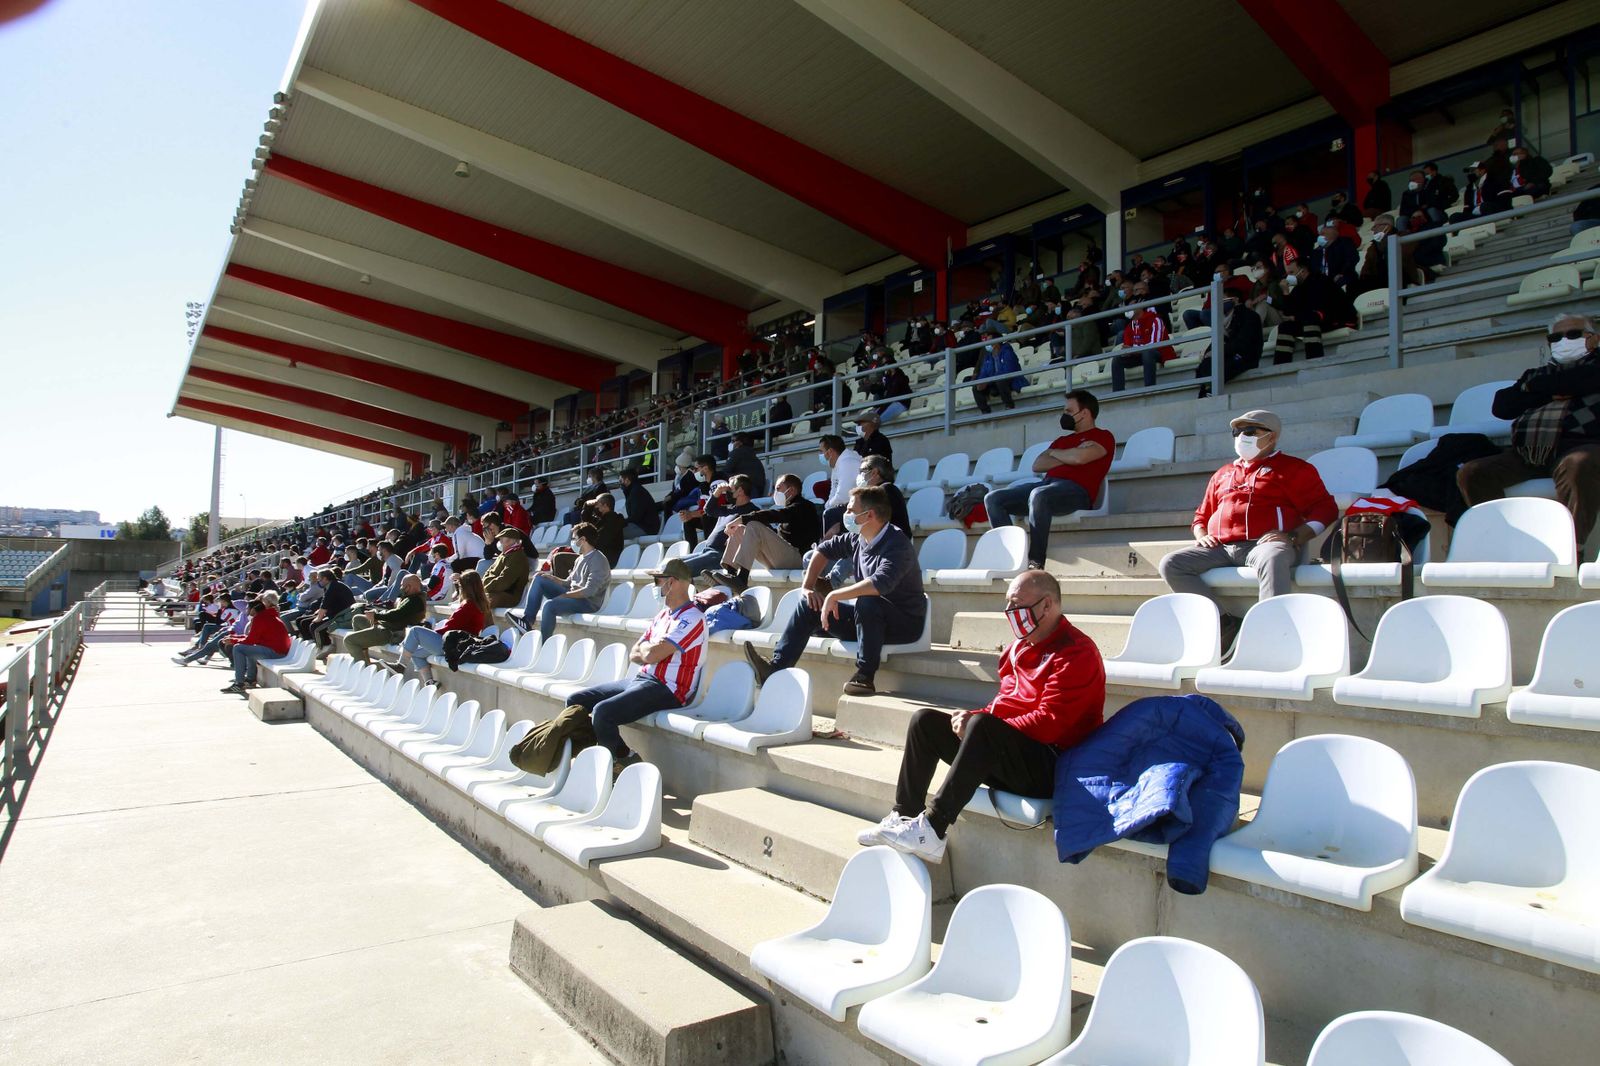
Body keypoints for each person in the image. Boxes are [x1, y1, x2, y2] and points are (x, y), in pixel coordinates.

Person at [859, 571, 1105, 862]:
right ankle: (904, 816)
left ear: (1047, 605)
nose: (1009, 611)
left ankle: (933, 828)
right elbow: (1004, 705)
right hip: (1014, 752)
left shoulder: (1077, 652)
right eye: (1008, 603)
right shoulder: (1017, 648)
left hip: (1054, 766)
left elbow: (1049, 723)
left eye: (1017, 604)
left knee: (983, 727)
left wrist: (983, 726)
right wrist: (971, 718)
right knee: (925, 722)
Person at [1157, 410, 1337, 655]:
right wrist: (1201, 535)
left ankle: (1270, 635)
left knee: (1273, 557)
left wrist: (1294, 536)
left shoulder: (1294, 469)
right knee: (1172, 563)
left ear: (1272, 437)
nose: (1242, 437)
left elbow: (1325, 509)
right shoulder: (1223, 473)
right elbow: (1201, 516)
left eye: (1250, 432)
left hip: (1263, 545)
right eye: (1237, 432)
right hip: (1221, 548)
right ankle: (1225, 623)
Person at [745, 485, 926, 697]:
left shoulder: (897, 544)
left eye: (850, 510)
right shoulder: (858, 538)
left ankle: (865, 677)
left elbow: (879, 584)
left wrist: (834, 594)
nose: (845, 514)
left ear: (869, 515)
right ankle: (775, 669)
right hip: (868, 621)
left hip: (904, 624)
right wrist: (807, 587)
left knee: (867, 601)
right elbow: (823, 550)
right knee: (809, 605)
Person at [1457, 313, 1600, 544]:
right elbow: (1502, 406)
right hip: (1529, 452)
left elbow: (1581, 379)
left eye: (1573, 334)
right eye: (1556, 337)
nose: (1563, 341)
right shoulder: (1536, 374)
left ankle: (1572, 548)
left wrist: (1533, 388)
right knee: (1472, 472)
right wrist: (1550, 392)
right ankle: (1501, 542)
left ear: (1594, 339)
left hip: (1582, 446)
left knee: (1579, 463)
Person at [565, 559, 707, 777]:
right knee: (576, 701)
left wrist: (649, 651)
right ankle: (594, 758)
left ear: (672, 582)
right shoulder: (663, 615)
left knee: (603, 713)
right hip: (644, 679)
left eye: (658, 580)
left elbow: (650, 654)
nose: (655, 586)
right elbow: (635, 653)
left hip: (669, 688)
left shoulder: (692, 617)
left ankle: (625, 762)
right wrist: (651, 651)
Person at [983, 391, 1114, 569]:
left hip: (1076, 492)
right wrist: (1065, 453)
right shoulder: (1061, 441)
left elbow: (1080, 458)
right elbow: (1038, 465)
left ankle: (1035, 563)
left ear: (1084, 413)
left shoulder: (1103, 436)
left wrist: (1056, 455)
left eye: (1069, 411)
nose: (1064, 415)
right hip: (1046, 485)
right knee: (993, 498)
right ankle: (1010, 559)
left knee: (1039, 495)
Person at [708, 473, 821, 591]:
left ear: (791, 490)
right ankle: (730, 574)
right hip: (782, 558)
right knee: (740, 529)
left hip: (798, 559)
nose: (774, 493)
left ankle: (742, 578)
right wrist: (740, 533)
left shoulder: (805, 506)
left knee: (753, 525)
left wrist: (742, 518)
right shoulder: (790, 508)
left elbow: (776, 515)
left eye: (778, 489)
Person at [393, 569, 491, 681]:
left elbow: (451, 628)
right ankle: (430, 682)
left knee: (415, 631)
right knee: (414, 652)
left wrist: (433, 633)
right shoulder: (478, 604)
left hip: (452, 645)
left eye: (460, 586)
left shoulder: (469, 606)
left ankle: (400, 666)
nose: (459, 589)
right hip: (457, 644)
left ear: (467, 587)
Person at [520, 522, 612, 640]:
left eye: (574, 538)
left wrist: (565, 595)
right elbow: (568, 583)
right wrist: (553, 578)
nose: (572, 542)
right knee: (539, 579)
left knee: (549, 605)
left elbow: (589, 591)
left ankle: (544, 643)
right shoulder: (580, 558)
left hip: (587, 603)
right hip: (574, 596)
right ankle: (527, 621)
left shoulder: (598, 560)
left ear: (583, 540)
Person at [1272, 260, 1355, 364]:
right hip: (1315, 320)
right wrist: (1285, 292)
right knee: (1285, 327)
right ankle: (1281, 366)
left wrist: (1296, 317)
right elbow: (1289, 312)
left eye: (1291, 272)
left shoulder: (1321, 281)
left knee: (1310, 319)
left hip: (1338, 319)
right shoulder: (1299, 288)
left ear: (1303, 271)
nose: (1288, 277)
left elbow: (1319, 310)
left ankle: (1314, 362)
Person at [681, 476, 759, 577]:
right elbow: (708, 510)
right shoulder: (729, 509)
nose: (726, 492)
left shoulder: (752, 512)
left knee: (679, 569)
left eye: (729, 489)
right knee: (670, 564)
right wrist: (718, 491)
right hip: (707, 552)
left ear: (740, 491)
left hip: (721, 555)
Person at [343, 574, 427, 664]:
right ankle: (364, 659)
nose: (401, 588)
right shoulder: (410, 598)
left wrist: (376, 616)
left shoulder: (415, 601)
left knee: (349, 640)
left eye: (402, 585)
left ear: (409, 587)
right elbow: (396, 613)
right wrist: (377, 616)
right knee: (357, 619)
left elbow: (396, 614)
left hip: (390, 633)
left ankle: (363, 667)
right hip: (385, 626)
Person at [219, 592, 293, 695]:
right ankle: (250, 680)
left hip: (276, 652)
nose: (247, 610)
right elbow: (252, 638)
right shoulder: (268, 616)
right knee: (248, 648)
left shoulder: (261, 618)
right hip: (277, 650)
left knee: (238, 648)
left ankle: (239, 684)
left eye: (248, 608)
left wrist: (233, 641)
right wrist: (233, 638)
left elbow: (250, 640)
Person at [1112, 282, 1174, 391]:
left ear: (1140, 307)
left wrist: (1133, 350)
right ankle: (1118, 393)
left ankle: (1149, 389)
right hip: (1139, 355)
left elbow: (1155, 345)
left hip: (1159, 353)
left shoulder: (1155, 319)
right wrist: (1128, 351)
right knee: (1117, 359)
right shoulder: (1130, 326)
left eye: (1131, 306)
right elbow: (1128, 346)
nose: (1128, 308)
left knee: (1147, 353)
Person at [972, 324, 1023, 414]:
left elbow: (1009, 370)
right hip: (994, 383)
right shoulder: (988, 357)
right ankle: (985, 412)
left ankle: (1009, 406)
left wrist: (989, 380)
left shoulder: (1007, 352)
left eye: (989, 341)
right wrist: (981, 381)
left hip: (1011, 381)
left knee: (1000, 380)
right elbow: (984, 372)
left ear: (996, 341)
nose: (987, 344)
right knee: (976, 387)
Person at [818, 433, 861, 538]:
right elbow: (833, 490)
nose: (820, 455)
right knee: (822, 511)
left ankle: (829, 546)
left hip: (859, 506)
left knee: (829, 514)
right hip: (848, 504)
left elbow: (844, 495)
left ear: (830, 452)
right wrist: (827, 505)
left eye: (821, 451)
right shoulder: (837, 464)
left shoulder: (848, 463)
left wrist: (828, 506)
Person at [858, 454, 911, 535]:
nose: (859, 475)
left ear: (874, 472)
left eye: (862, 471)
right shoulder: (887, 489)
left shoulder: (886, 490)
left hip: (894, 541)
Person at [482, 526, 532, 609]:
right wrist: (482, 587)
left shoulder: (517, 556)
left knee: (483, 601)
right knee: (472, 598)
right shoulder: (503, 554)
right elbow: (489, 572)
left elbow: (505, 580)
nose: (500, 543)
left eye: (502, 540)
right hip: (494, 590)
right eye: (500, 540)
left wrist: (485, 588)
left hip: (509, 595)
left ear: (513, 542)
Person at [617, 467, 661, 539]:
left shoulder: (636, 492)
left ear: (627, 480)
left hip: (646, 528)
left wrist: (620, 521)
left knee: (614, 532)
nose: (619, 483)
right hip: (641, 525)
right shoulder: (633, 490)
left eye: (620, 480)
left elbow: (636, 517)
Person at [722, 432, 768, 498]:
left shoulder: (736, 453)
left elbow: (725, 471)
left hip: (747, 492)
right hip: (756, 492)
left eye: (733, 441)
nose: (731, 443)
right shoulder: (753, 455)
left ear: (740, 443)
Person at [585, 493, 627, 565]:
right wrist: (586, 505)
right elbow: (586, 522)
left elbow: (602, 541)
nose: (595, 507)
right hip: (598, 557)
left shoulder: (613, 521)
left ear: (605, 505)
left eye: (597, 504)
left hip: (607, 560)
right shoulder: (602, 520)